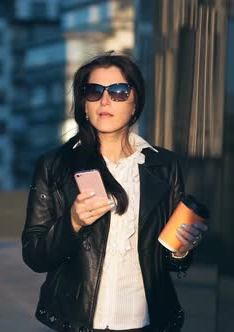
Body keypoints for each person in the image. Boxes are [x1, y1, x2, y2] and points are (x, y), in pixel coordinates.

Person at [21, 51, 208, 332]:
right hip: (78, 321)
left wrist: (181, 249)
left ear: (135, 104)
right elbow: (35, 255)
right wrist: (72, 222)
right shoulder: (55, 165)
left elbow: (168, 263)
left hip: (146, 321)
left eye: (119, 91)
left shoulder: (163, 166)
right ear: (84, 104)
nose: (105, 101)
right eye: (94, 91)